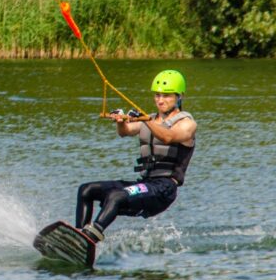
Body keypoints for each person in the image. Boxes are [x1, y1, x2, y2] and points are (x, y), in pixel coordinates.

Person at [75, 69, 197, 243]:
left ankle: (91, 237)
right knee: (86, 190)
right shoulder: (150, 119)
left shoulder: (188, 124)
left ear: (179, 96)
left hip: (164, 189)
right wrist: (121, 122)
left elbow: (168, 137)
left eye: (167, 96)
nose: (160, 100)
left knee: (116, 195)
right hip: (145, 183)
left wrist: (145, 120)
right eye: (157, 95)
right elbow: (125, 132)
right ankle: (78, 235)